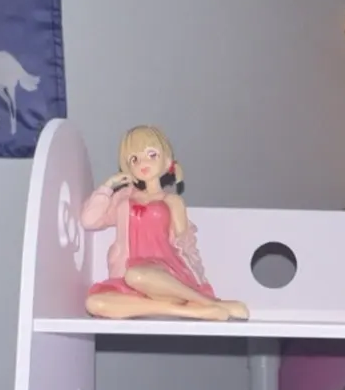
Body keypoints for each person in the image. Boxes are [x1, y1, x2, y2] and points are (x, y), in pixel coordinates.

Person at [82, 125, 249, 322]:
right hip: (130, 280)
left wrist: (199, 282)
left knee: (137, 275)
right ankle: (195, 311)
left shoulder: (172, 201)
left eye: (151, 155)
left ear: (167, 161)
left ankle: (205, 302)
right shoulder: (123, 200)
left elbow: (185, 245)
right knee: (95, 303)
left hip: (165, 274)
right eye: (134, 159)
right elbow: (89, 220)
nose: (143, 163)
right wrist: (108, 186)